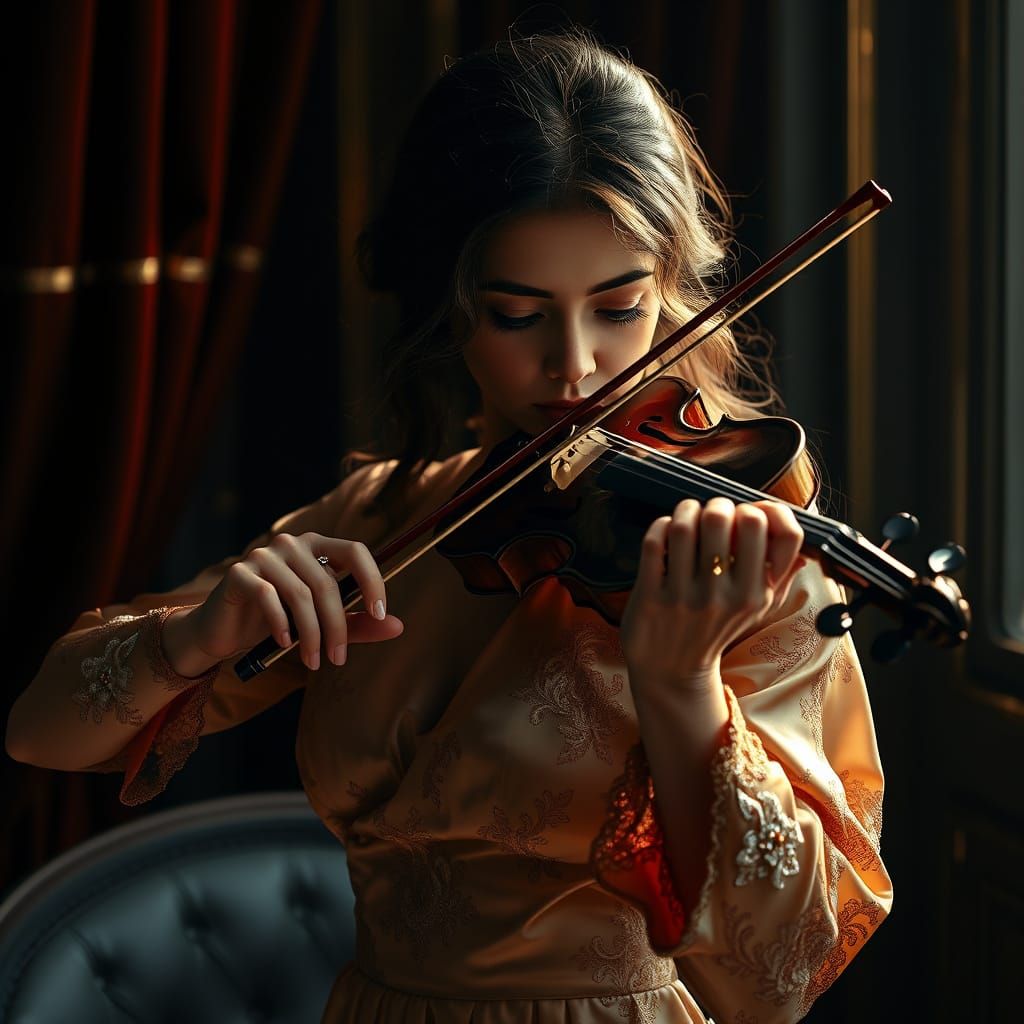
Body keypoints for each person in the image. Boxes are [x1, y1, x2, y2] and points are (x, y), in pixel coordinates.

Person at [5, 28, 891, 1024]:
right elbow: (39, 731)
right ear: (453, 311)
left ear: (672, 296)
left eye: (620, 307)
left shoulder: (734, 554)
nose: (574, 366)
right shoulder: (382, 517)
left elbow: (776, 976)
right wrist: (190, 637)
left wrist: (682, 686)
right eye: (518, 315)